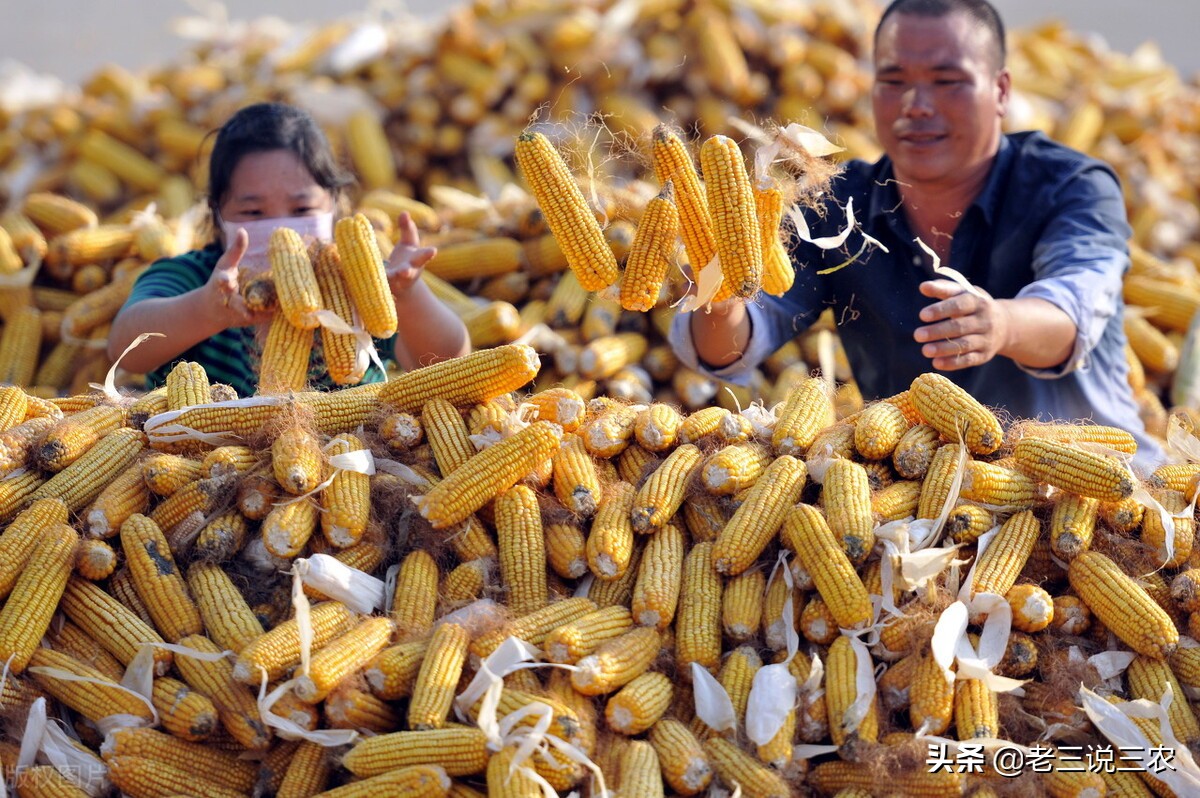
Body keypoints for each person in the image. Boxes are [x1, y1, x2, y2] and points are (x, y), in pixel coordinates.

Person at [671, 0, 1162, 465]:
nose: (917, 105)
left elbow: (1076, 309)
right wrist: (719, 298)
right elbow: (728, 350)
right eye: (894, 80)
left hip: (1101, 495)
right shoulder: (836, 203)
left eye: (947, 81)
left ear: (1001, 91)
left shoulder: (1072, 186)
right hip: (927, 498)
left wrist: (1002, 325)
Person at [109, 102, 470, 397]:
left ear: (335, 204)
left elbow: (448, 362)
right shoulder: (194, 275)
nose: (281, 229)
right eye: (253, 212)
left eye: (301, 210)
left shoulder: (359, 285)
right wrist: (204, 310)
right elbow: (125, 350)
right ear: (218, 214)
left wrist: (408, 296)